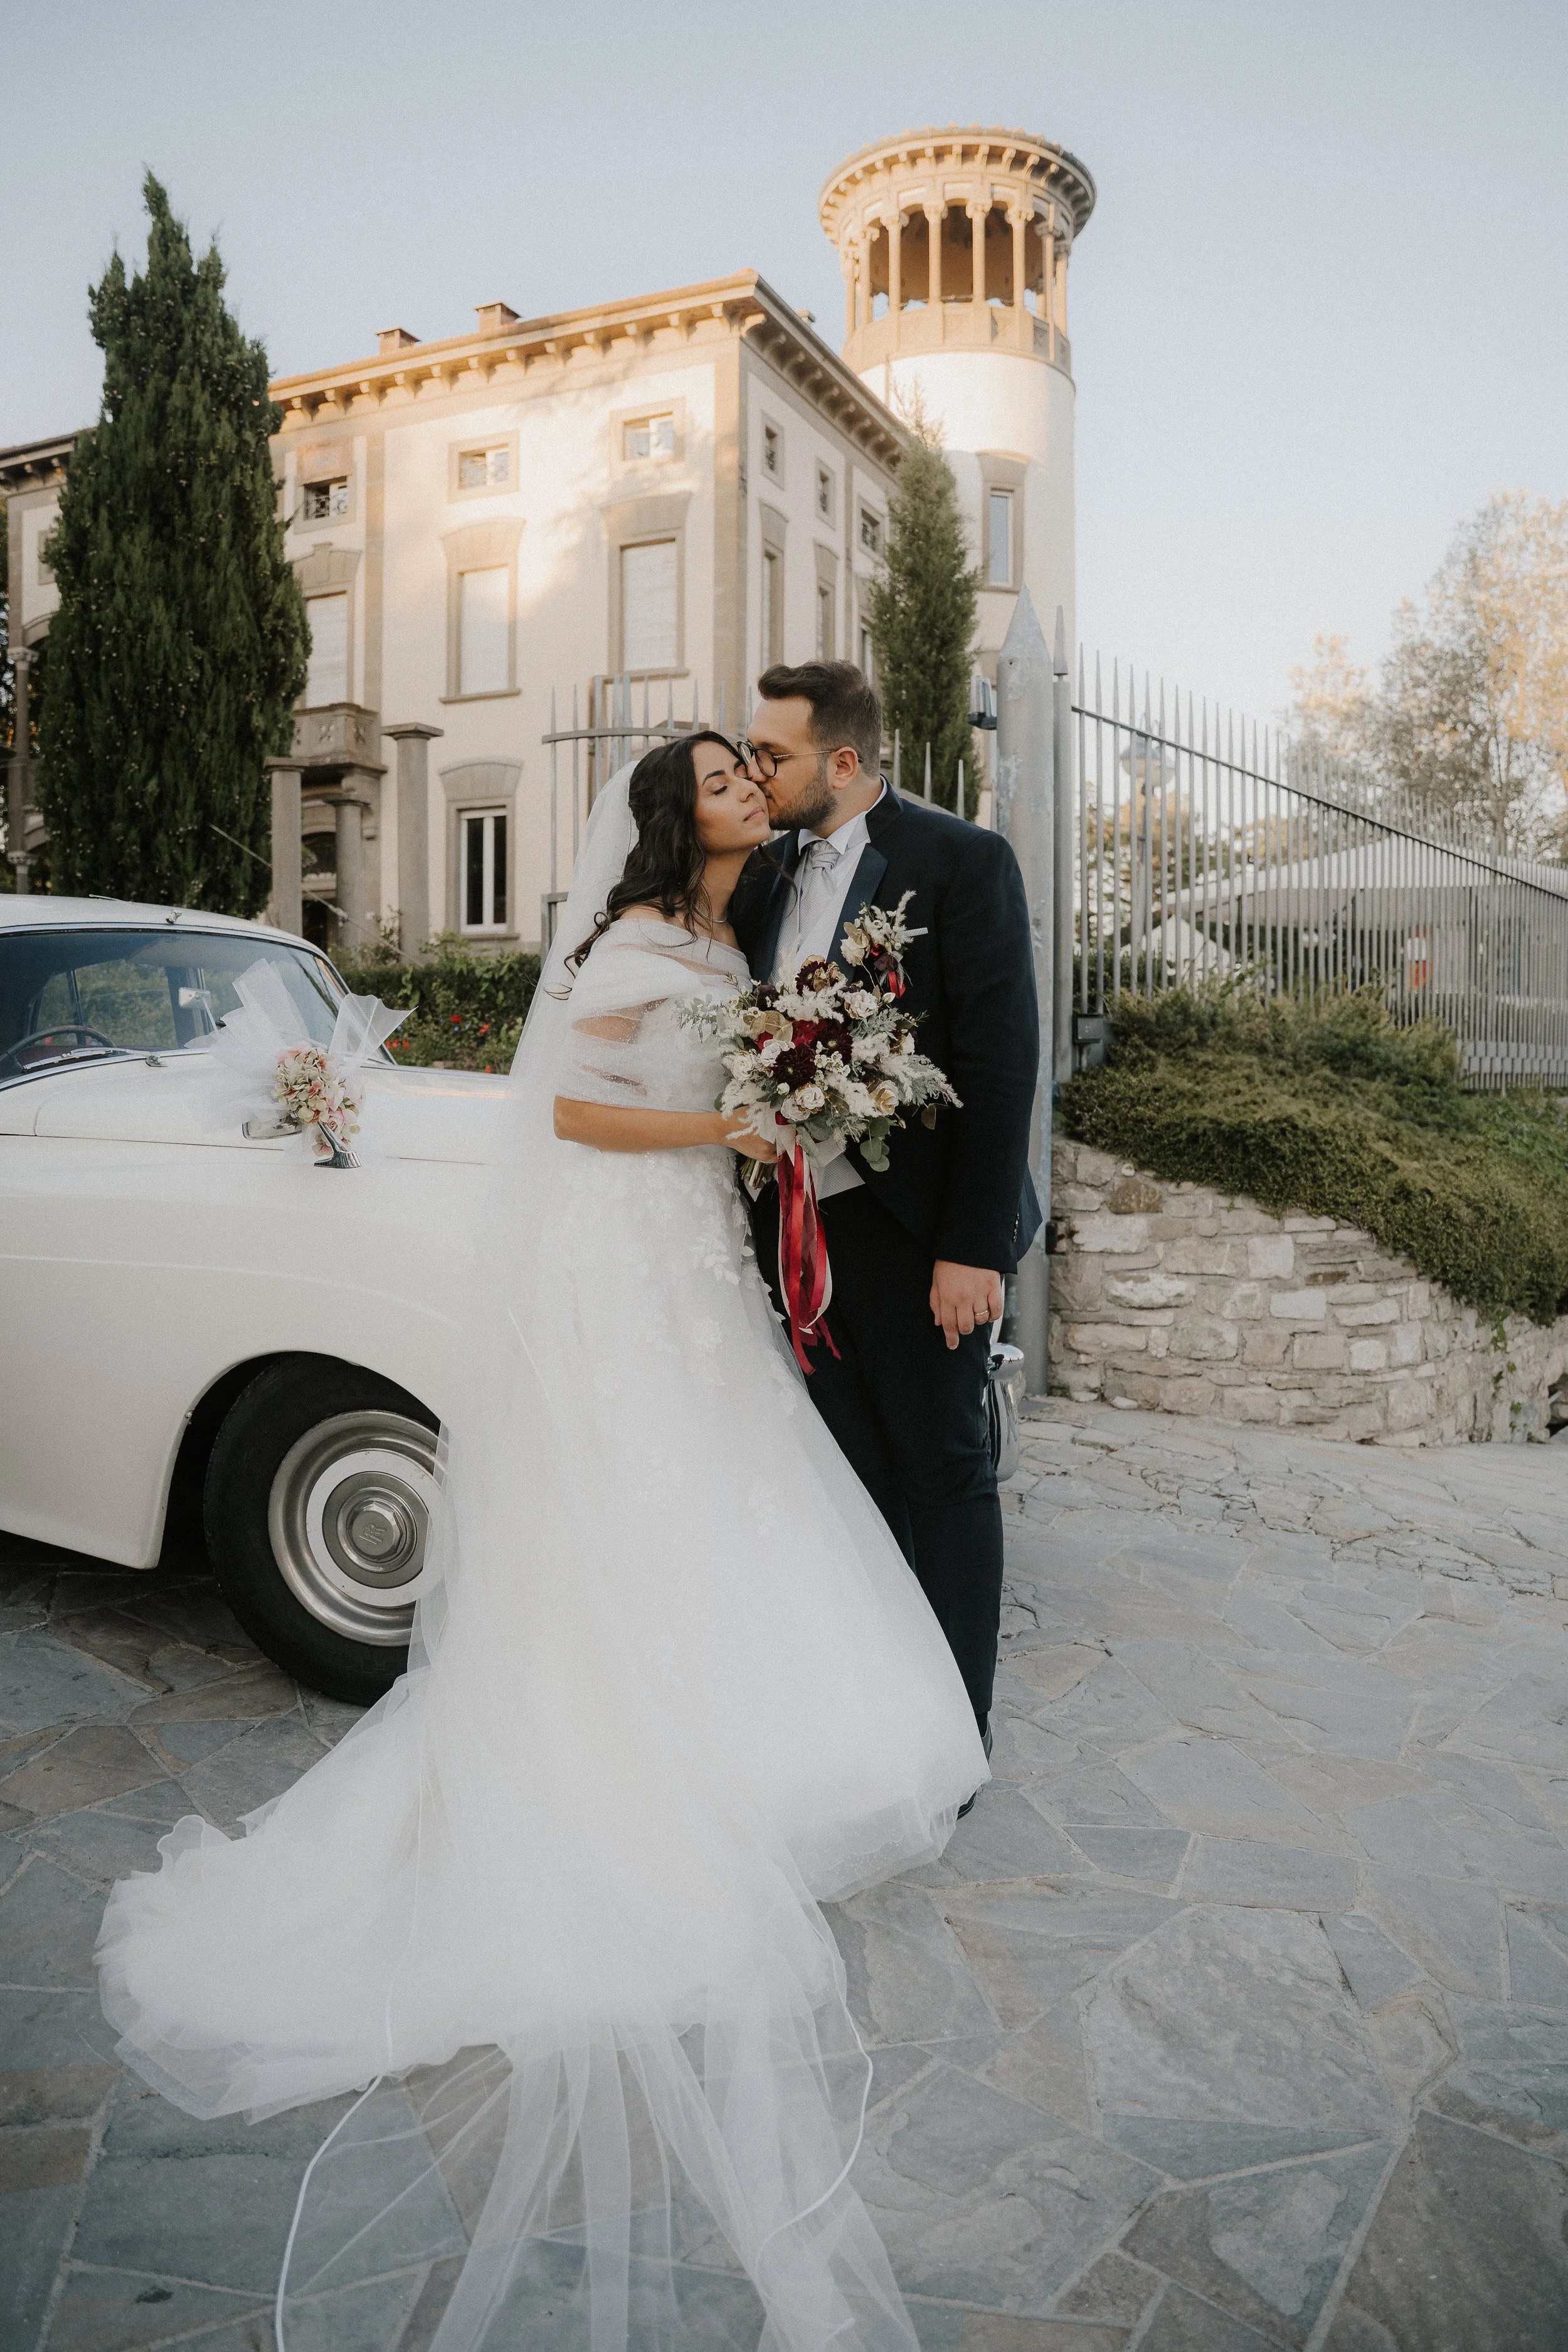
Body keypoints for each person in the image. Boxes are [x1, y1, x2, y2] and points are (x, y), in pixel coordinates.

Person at [95, 731, 987, 2352]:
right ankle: (619, 1761)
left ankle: (734, 1741)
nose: (741, 780)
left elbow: (740, 1066)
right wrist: (728, 1132)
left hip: (694, 1266)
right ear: (671, 814)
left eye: (746, 766)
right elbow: (576, 1111)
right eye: (718, 771)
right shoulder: (641, 942)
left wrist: (786, 1095)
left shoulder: (735, 930)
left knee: (725, 1494)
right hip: (623, 1254)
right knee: (634, 1500)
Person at [729, 662, 1041, 1777]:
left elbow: (1004, 1071)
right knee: (854, 1482)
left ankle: (956, 1735)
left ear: (845, 763)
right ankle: (875, 1710)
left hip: (922, 1240)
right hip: (802, 1237)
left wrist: (973, 1248)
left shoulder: (962, 864)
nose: (757, 770)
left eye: (774, 754)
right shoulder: (763, 876)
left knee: (944, 1471)